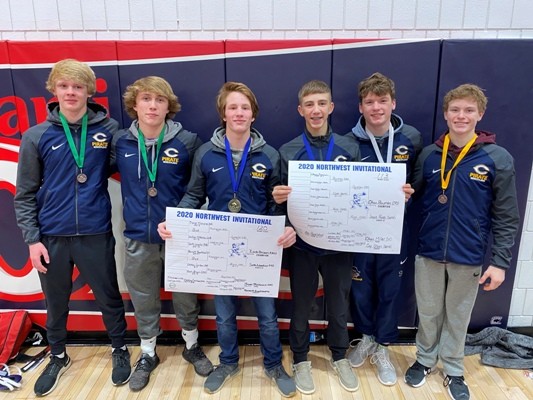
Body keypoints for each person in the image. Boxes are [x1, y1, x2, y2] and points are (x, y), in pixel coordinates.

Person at [157, 82, 297, 397]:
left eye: (245, 108)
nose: (239, 113)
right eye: (232, 107)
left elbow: (277, 203)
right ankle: (228, 362)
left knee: (267, 316)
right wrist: (173, 221)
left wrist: (286, 226)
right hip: (220, 248)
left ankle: (274, 364)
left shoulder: (269, 155)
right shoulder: (206, 153)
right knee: (224, 314)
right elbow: (194, 195)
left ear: (253, 114)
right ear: (223, 113)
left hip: (259, 248)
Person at [14, 59, 131, 397]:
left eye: (77, 86)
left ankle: (120, 348)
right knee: (56, 302)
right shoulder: (36, 136)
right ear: (54, 89)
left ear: (88, 91)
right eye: (64, 86)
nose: (70, 92)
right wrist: (32, 240)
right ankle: (58, 355)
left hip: (94, 232)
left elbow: (125, 163)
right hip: (51, 236)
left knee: (109, 296)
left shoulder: (108, 130)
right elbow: (24, 194)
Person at [404, 84, 519, 400]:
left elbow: (507, 215)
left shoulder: (497, 158)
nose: (461, 116)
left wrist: (500, 263)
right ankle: (425, 359)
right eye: (455, 109)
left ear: (480, 114)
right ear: (445, 114)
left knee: (458, 316)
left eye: (469, 110)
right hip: (428, 250)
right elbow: (413, 194)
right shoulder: (429, 154)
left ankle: (454, 368)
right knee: (428, 313)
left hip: (468, 254)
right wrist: (401, 194)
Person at [110, 76, 213, 392]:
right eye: (146, 99)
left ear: (169, 107)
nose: (152, 106)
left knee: (185, 294)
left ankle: (191, 345)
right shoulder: (120, 141)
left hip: (178, 235)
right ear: (135, 105)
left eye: (160, 100)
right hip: (137, 235)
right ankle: (148, 353)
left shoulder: (188, 141)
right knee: (142, 296)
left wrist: (178, 218)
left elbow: (198, 187)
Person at [272, 80, 361, 394]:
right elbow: (277, 202)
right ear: (300, 110)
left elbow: (360, 195)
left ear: (331, 107)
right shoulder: (288, 151)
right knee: (301, 306)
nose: (316, 110)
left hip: (338, 246)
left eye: (322, 103)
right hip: (303, 245)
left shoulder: (349, 148)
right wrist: (278, 200)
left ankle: (339, 356)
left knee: (338, 305)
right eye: (309, 104)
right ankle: (300, 359)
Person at [345, 72, 423, 386]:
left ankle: (383, 346)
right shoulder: (349, 142)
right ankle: (366, 337)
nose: (376, 107)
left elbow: (419, 180)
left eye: (382, 101)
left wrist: (410, 192)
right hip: (360, 231)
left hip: (395, 229)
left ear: (393, 103)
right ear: (360, 107)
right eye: (369, 102)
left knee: (390, 290)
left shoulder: (411, 139)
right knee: (361, 288)